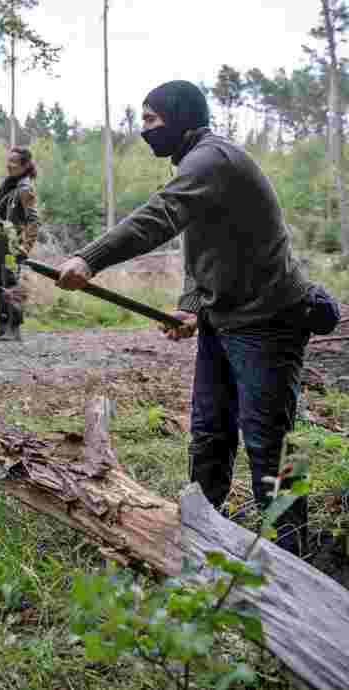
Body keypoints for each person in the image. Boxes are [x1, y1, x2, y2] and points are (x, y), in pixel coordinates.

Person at [55, 80, 340, 556]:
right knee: (209, 432)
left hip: (267, 320)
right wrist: (190, 306)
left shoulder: (212, 159)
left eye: (151, 120)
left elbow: (161, 216)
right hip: (223, 318)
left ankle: (295, 552)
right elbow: (201, 244)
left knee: (272, 441)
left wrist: (90, 258)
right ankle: (204, 538)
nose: (144, 130)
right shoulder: (196, 164)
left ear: (182, 116)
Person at [0, 146, 40, 342]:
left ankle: (14, 329)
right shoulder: (8, 185)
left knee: (11, 284)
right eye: (8, 161)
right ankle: (3, 327)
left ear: (25, 166)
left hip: (12, 249)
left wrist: (25, 248)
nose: (9, 165)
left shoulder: (25, 189)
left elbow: (33, 221)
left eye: (14, 162)